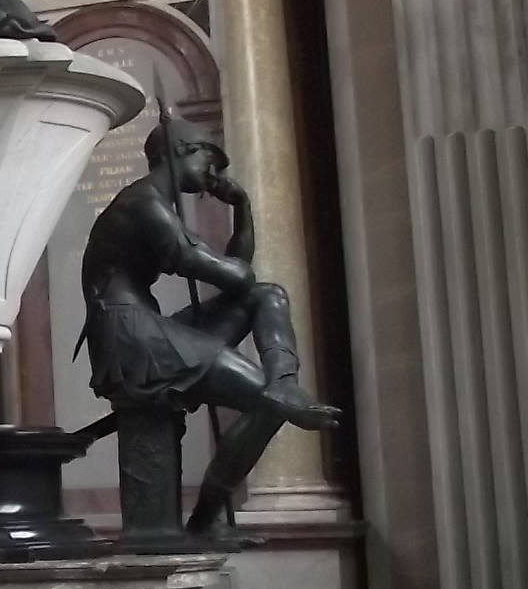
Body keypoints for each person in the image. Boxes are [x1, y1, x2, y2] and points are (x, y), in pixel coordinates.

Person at [80, 115, 340, 534]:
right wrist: (236, 220)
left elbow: (244, 278)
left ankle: (283, 380)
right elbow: (234, 274)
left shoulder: (156, 203)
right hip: (128, 338)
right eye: (209, 158)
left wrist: (242, 207)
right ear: (182, 149)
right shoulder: (144, 205)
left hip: (144, 327)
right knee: (267, 401)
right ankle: (204, 519)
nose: (213, 173)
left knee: (267, 296)